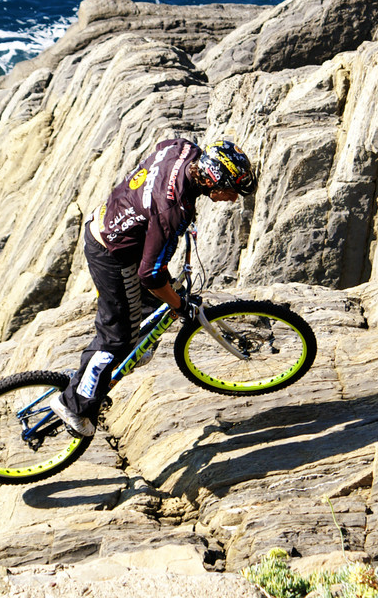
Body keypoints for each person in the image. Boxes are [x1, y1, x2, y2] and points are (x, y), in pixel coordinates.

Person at [51, 138, 257, 437]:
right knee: (117, 339)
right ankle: (75, 404)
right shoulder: (174, 209)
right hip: (112, 253)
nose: (234, 198)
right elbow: (150, 275)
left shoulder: (184, 149)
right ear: (214, 180)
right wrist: (178, 304)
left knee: (153, 306)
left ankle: (126, 353)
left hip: (114, 221)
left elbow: (163, 146)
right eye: (232, 190)